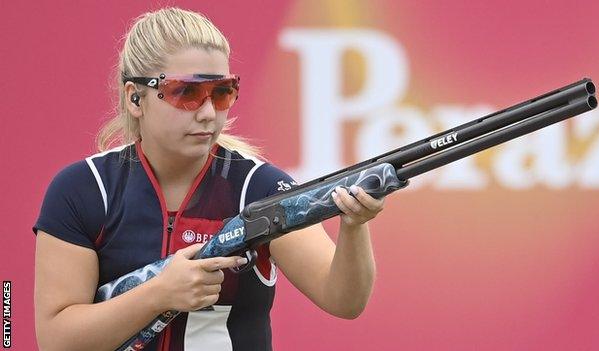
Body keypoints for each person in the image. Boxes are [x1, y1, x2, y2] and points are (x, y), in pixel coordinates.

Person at [33, 7, 384, 351]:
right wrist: (159, 293)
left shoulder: (257, 187)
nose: (207, 113)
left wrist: (354, 226)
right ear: (135, 98)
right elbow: (56, 340)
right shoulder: (83, 189)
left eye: (221, 92)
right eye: (186, 93)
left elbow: (343, 301)